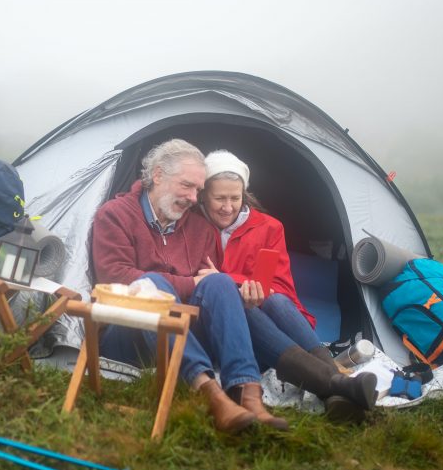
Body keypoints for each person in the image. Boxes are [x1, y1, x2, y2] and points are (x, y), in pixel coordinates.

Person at [91, 138, 289, 432]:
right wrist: (187, 283)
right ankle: (209, 393)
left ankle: (247, 393)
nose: (194, 198)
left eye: (198, 189)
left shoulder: (201, 230)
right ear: (158, 175)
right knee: (151, 282)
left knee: (220, 281)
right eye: (187, 186)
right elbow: (116, 277)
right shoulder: (115, 215)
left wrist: (218, 288)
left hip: (181, 337)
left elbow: (207, 293)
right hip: (127, 331)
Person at [200, 149, 377, 423]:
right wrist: (238, 287)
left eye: (234, 198)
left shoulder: (269, 228)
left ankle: (334, 390)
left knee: (276, 301)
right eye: (219, 198)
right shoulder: (193, 227)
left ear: (244, 195)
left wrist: (257, 291)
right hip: (223, 325)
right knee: (240, 307)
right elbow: (202, 281)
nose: (227, 206)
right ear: (204, 195)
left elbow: (281, 287)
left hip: (274, 320)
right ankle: (336, 385)